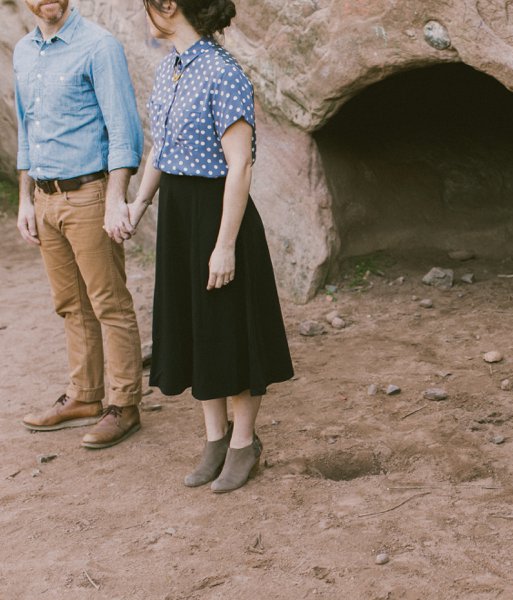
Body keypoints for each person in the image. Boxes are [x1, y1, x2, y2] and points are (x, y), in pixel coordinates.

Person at [130, 0, 294, 493]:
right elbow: (160, 146)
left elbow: (239, 164)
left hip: (219, 213)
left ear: (169, 6)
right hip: (179, 215)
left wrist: (225, 245)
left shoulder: (223, 72)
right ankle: (215, 440)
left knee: (228, 329)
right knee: (196, 329)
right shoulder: (171, 68)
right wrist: (139, 205)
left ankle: (244, 445)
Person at [15, 0, 145, 448]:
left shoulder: (99, 46)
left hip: (90, 194)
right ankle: (85, 397)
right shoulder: (23, 51)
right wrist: (24, 200)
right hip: (44, 197)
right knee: (70, 303)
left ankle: (124, 404)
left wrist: (115, 199)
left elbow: (124, 130)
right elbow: (26, 131)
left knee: (109, 302)